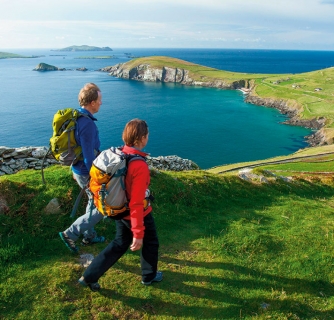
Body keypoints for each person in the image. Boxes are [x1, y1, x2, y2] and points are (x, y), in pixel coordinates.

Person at [78, 119, 162, 291]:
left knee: (119, 243)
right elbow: (137, 202)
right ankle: (149, 276)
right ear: (142, 138)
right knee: (151, 242)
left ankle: (89, 276)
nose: (148, 137)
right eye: (147, 135)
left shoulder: (119, 154)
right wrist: (138, 233)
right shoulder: (139, 165)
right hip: (135, 214)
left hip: (119, 210)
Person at [59, 83, 105, 253]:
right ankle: (71, 233)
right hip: (86, 172)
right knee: (100, 208)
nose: (101, 103)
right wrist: (95, 176)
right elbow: (87, 155)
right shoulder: (87, 124)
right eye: (100, 100)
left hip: (78, 169)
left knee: (92, 202)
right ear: (92, 102)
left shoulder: (78, 118)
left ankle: (89, 236)